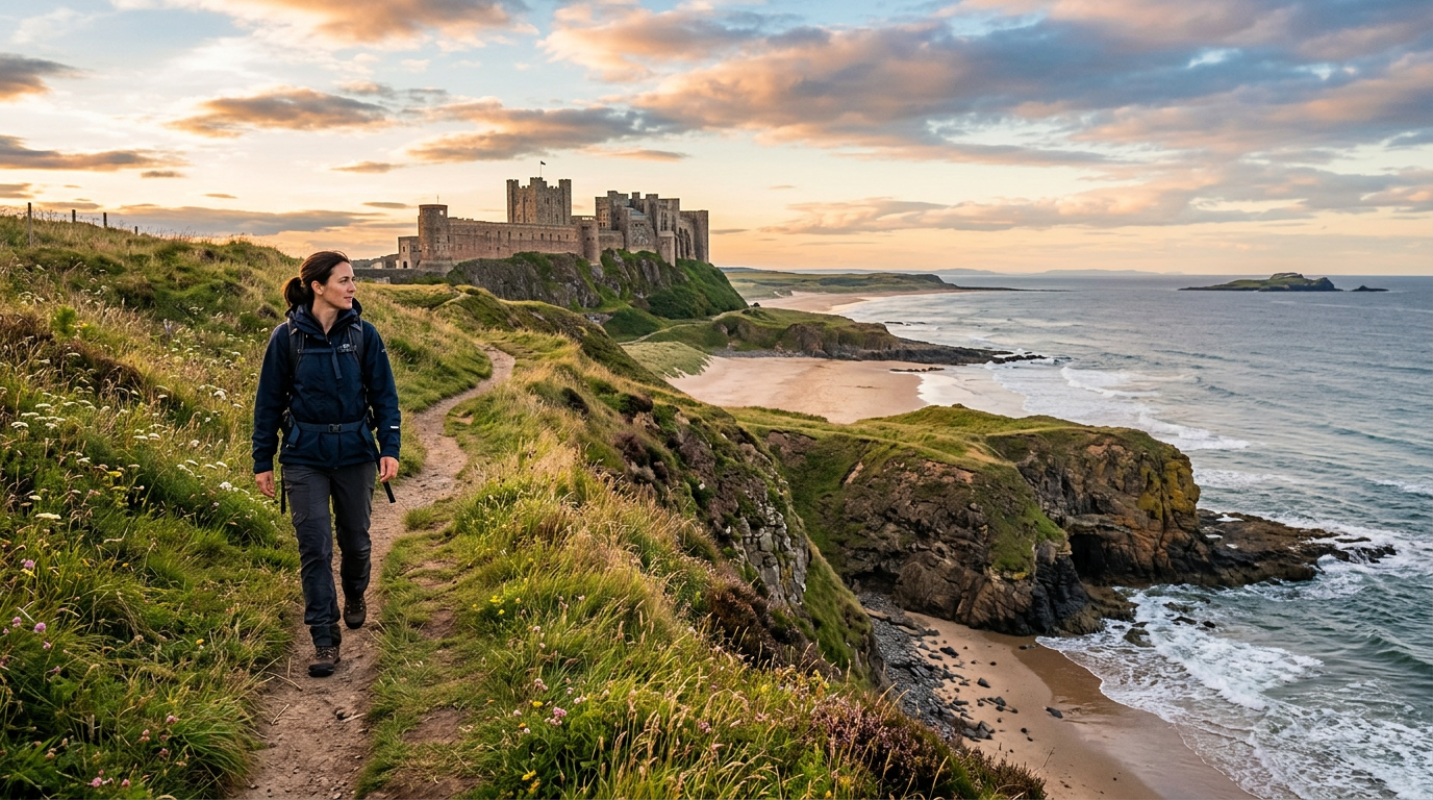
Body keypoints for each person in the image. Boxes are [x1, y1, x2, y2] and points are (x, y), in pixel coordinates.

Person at [252, 251, 401, 677]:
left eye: (353, 280)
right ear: (318, 286)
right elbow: (268, 404)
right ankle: (323, 639)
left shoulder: (364, 336)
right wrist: (263, 459)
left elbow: (385, 397)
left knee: (355, 541)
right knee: (314, 547)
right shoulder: (286, 339)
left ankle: (355, 592)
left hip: (355, 454)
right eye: (344, 281)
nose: (353, 288)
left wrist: (389, 447)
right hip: (303, 457)